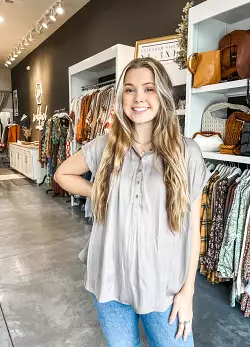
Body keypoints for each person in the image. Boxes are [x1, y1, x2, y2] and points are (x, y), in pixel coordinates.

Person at [55, 57, 210, 346]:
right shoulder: (106, 145)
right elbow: (62, 173)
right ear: (121, 97)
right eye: (129, 89)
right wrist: (98, 191)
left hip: (163, 288)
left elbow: (192, 230)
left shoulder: (186, 152)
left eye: (148, 88)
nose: (138, 98)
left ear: (162, 94)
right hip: (110, 280)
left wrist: (187, 291)